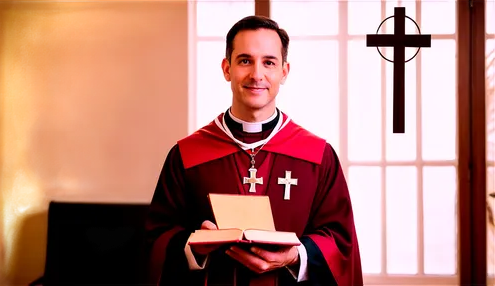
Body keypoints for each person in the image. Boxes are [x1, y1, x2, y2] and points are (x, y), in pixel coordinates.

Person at [145, 15, 363, 286]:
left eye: (269, 62)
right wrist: (194, 247)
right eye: (245, 60)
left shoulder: (318, 157)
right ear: (227, 69)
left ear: (284, 72)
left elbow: (340, 242)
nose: (257, 74)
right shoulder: (187, 155)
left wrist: (296, 256)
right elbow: (158, 239)